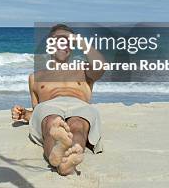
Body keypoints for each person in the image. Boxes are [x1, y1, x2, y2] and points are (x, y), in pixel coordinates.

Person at [11, 24, 106, 176]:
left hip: (79, 105)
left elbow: (100, 65)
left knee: (77, 124)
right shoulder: (35, 78)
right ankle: (61, 160)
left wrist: (79, 40)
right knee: (51, 123)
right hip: (49, 106)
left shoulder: (84, 70)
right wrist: (24, 114)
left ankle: (65, 160)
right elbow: (37, 113)